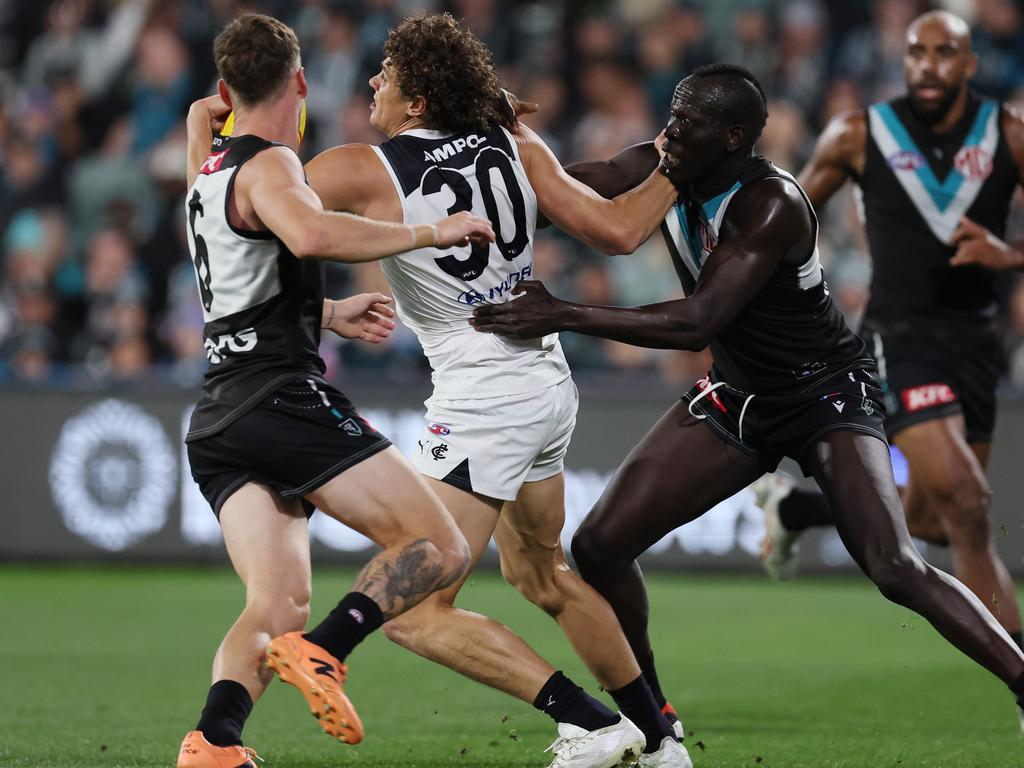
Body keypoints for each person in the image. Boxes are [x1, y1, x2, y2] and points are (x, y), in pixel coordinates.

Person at [470, 63, 1024, 741]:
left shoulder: (773, 203)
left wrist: (562, 311)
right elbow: (553, 191)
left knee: (894, 567)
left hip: (825, 392)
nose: (670, 130)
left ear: (733, 138)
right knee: (601, 544)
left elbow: (695, 322)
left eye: (689, 121)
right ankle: (654, 721)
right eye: (671, 112)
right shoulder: (656, 163)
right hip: (739, 394)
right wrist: (485, 135)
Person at [300, 13, 686, 768]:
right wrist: (679, 166)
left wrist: (214, 148)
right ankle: (662, 740)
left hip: (483, 395)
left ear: (417, 102)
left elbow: (259, 205)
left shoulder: (362, 168)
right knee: (540, 574)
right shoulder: (515, 142)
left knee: (411, 611)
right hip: (544, 379)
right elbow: (617, 230)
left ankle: (591, 723)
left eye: (387, 72)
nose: (374, 82)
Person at [176, 13, 496, 768]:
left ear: (226, 89)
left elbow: (233, 277)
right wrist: (432, 231)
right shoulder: (272, 165)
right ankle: (325, 653)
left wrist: (323, 311)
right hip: (279, 400)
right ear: (302, 84)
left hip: (219, 416)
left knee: (275, 604)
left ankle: (213, 744)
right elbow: (313, 236)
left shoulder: (206, 172)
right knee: (437, 543)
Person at [757, 10, 1024, 687]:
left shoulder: (1009, 136)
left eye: (945, 53)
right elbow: (785, 213)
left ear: (969, 64)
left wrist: (1009, 254)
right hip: (898, 338)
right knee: (967, 502)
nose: (928, 65)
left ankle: (796, 508)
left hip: (978, 343)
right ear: (903, 62)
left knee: (935, 518)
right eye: (916, 53)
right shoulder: (861, 133)